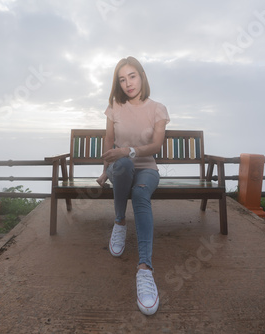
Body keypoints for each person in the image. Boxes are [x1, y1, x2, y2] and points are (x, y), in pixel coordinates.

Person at [96, 56, 170, 316]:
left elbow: (155, 147)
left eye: (132, 76)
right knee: (125, 165)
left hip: (147, 169)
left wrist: (128, 150)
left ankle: (145, 269)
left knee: (140, 194)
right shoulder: (114, 107)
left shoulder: (158, 109)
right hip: (121, 169)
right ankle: (119, 222)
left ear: (142, 76)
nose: (128, 83)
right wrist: (105, 171)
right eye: (122, 79)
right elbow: (108, 139)